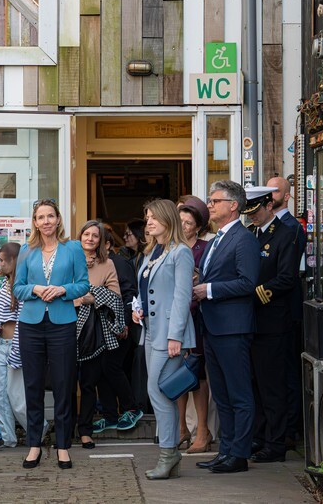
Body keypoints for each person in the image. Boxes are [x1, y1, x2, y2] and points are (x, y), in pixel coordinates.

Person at [13, 199, 89, 469]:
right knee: (32, 385)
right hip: (31, 324)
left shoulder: (74, 249)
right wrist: (34, 289)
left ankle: (63, 446)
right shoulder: (25, 251)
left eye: (50, 216)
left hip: (62, 323)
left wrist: (63, 290)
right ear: (34, 222)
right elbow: (17, 289)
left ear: (58, 219)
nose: (45, 221)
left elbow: (83, 284)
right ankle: (34, 444)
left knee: (63, 385)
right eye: (40, 217)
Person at [193, 181, 260, 474]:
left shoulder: (243, 239)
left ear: (233, 205)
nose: (210, 205)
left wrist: (208, 290)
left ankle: (239, 454)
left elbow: (247, 283)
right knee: (221, 395)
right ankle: (227, 450)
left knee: (239, 393)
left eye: (215, 200)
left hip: (232, 328)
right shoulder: (216, 240)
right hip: (213, 327)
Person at [132, 200, 197, 480]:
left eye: (153, 218)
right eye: (147, 218)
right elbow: (147, 291)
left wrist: (176, 337)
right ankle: (170, 454)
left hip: (169, 335)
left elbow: (183, 296)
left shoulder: (180, 252)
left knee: (158, 391)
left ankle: (169, 453)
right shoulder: (152, 252)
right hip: (151, 330)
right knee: (159, 391)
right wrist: (138, 309)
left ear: (167, 219)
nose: (148, 223)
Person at [242, 187, 298, 463]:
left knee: (272, 386)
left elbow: (287, 278)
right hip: (252, 321)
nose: (252, 217)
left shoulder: (285, 234)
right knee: (255, 384)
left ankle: (276, 443)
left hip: (272, 320)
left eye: (255, 212)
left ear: (267, 205)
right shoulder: (251, 234)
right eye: (248, 213)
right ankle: (260, 437)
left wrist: (252, 295)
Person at [75, 221, 139, 449]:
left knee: (90, 382)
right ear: (80, 236)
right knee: (66, 381)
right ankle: (66, 429)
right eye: (87, 234)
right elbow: (59, 289)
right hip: (66, 325)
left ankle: (85, 431)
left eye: (95, 235)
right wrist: (81, 297)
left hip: (94, 330)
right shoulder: (68, 258)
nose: (90, 238)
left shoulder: (108, 263)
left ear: (101, 241)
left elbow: (116, 297)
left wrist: (94, 295)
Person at [266, 175, 306, 447]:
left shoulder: (291, 227)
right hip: (271, 314)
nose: (271, 195)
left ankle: (291, 430)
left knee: (288, 373)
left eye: (276, 190)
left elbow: (286, 275)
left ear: (288, 195)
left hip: (285, 311)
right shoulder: (264, 227)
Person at [97, 227, 144, 432]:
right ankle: (109, 416)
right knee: (101, 369)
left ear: (107, 245)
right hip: (99, 327)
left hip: (120, 326)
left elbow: (130, 295)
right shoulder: (93, 264)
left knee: (111, 366)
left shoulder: (119, 263)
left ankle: (131, 408)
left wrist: (123, 322)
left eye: (97, 241)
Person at [176, 199, 212, 454]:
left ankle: (203, 430)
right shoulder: (167, 247)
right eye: (181, 221)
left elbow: (212, 279)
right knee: (176, 373)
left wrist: (200, 278)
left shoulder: (205, 248)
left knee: (197, 374)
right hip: (174, 317)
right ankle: (180, 429)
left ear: (198, 227)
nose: (184, 226)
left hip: (197, 315)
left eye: (189, 223)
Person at [0, 242, 23, 448]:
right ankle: (7, 436)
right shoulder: (4, 285)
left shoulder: (23, 286)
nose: (0, 264)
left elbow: (24, 319)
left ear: (14, 261)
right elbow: (0, 315)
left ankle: (39, 429)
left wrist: (18, 348)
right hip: (1, 344)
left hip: (17, 345)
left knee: (18, 398)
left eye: (2, 260)